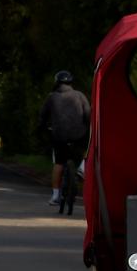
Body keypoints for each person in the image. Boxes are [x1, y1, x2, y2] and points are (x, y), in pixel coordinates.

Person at [38, 70, 91, 205]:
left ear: (56, 83)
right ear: (71, 82)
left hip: (59, 136)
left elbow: (42, 117)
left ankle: (55, 196)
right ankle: (83, 169)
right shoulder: (80, 96)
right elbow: (88, 115)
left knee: (59, 163)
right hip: (79, 136)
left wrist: (42, 130)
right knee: (86, 150)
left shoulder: (52, 97)